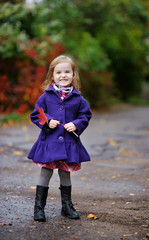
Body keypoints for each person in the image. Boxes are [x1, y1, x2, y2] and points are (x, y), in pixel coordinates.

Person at [28, 55, 92, 221]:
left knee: (65, 173)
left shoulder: (78, 98)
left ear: (73, 75)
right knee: (46, 171)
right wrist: (47, 121)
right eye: (58, 72)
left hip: (69, 143)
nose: (63, 75)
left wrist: (77, 124)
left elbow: (85, 115)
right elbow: (37, 114)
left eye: (67, 72)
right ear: (52, 76)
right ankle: (39, 208)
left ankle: (67, 206)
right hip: (50, 142)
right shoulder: (46, 96)